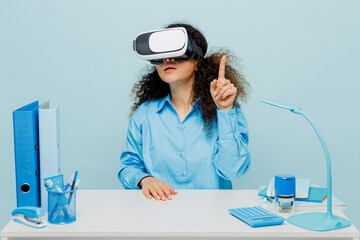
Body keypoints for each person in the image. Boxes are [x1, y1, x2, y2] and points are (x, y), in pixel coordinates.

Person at [118, 23, 251, 201]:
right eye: (161, 55)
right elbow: (128, 166)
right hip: (158, 213)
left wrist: (225, 110)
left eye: (176, 52)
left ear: (197, 62)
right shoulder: (145, 115)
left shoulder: (226, 113)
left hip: (213, 216)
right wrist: (145, 180)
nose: (167, 60)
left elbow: (233, 170)